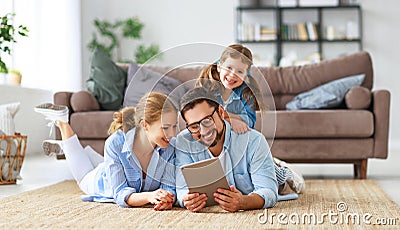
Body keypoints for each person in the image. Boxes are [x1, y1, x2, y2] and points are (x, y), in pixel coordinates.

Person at [35, 92, 177, 210]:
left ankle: (64, 147)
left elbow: (169, 187)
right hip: (100, 179)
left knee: (102, 161)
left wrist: (167, 198)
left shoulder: (169, 148)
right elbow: (120, 193)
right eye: (165, 128)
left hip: (109, 164)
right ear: (145, 125)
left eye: (174, 126)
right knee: (83, 178)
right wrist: (149, 196)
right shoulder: (115, 143)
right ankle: (63, 122)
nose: (172, 134)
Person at [196, 44, 305, 195]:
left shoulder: (246, 92)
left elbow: (248, 123)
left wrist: (229, 119)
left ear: (246, 75)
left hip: (239, 141)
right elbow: (201, 116)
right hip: (217, 141)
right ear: (219, 66)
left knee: (271, 179)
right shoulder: (207, 87)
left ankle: (284, 173)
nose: (233, 74)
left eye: (239, 71)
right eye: (229, 68)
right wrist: (231, 118)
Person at [174, 87, 278, 212]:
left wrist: (243, 202)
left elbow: (269, 191)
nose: (203, 131)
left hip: (277, 174)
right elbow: (181, 189)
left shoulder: (254, 141)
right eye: (194, 126)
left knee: (284, 178)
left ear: (221, 112)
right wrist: (186, 199)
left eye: (207, 120)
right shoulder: (183, 142)